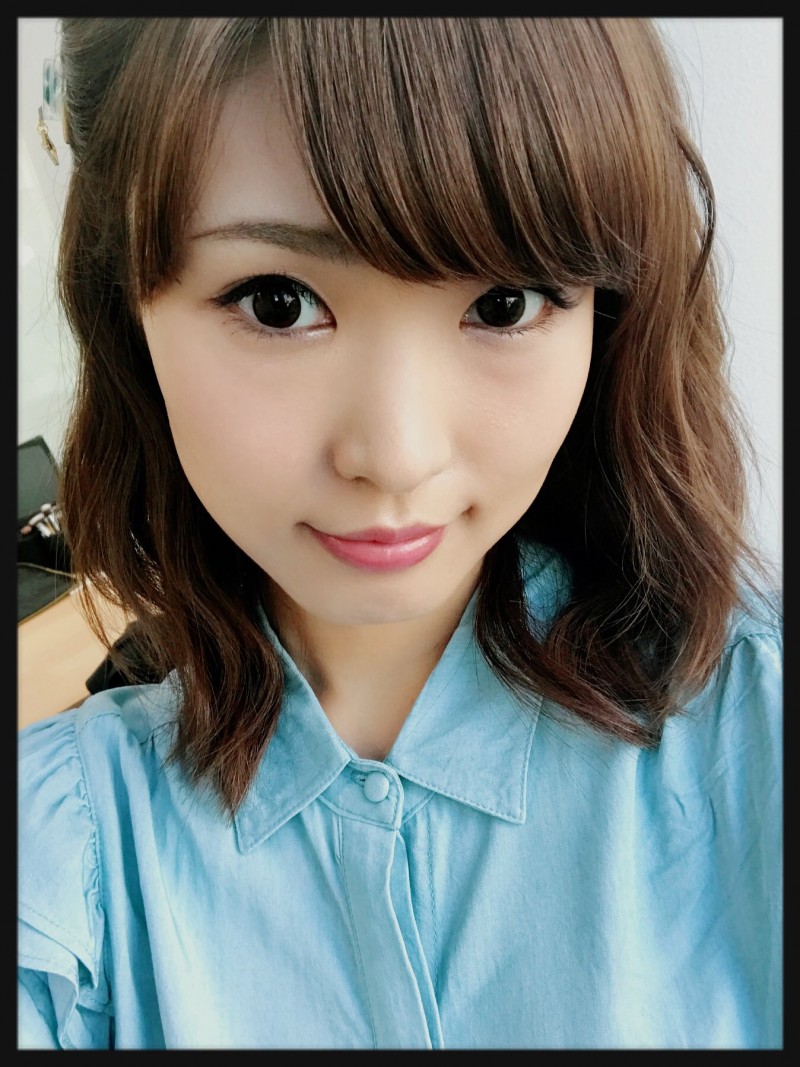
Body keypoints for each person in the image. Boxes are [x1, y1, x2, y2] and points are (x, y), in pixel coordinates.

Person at [18, 17, 782, 1050]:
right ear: (126, 309)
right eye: (278, 303)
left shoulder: (753, 727)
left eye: (503, 303)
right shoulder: (67, 860)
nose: (396, 456)